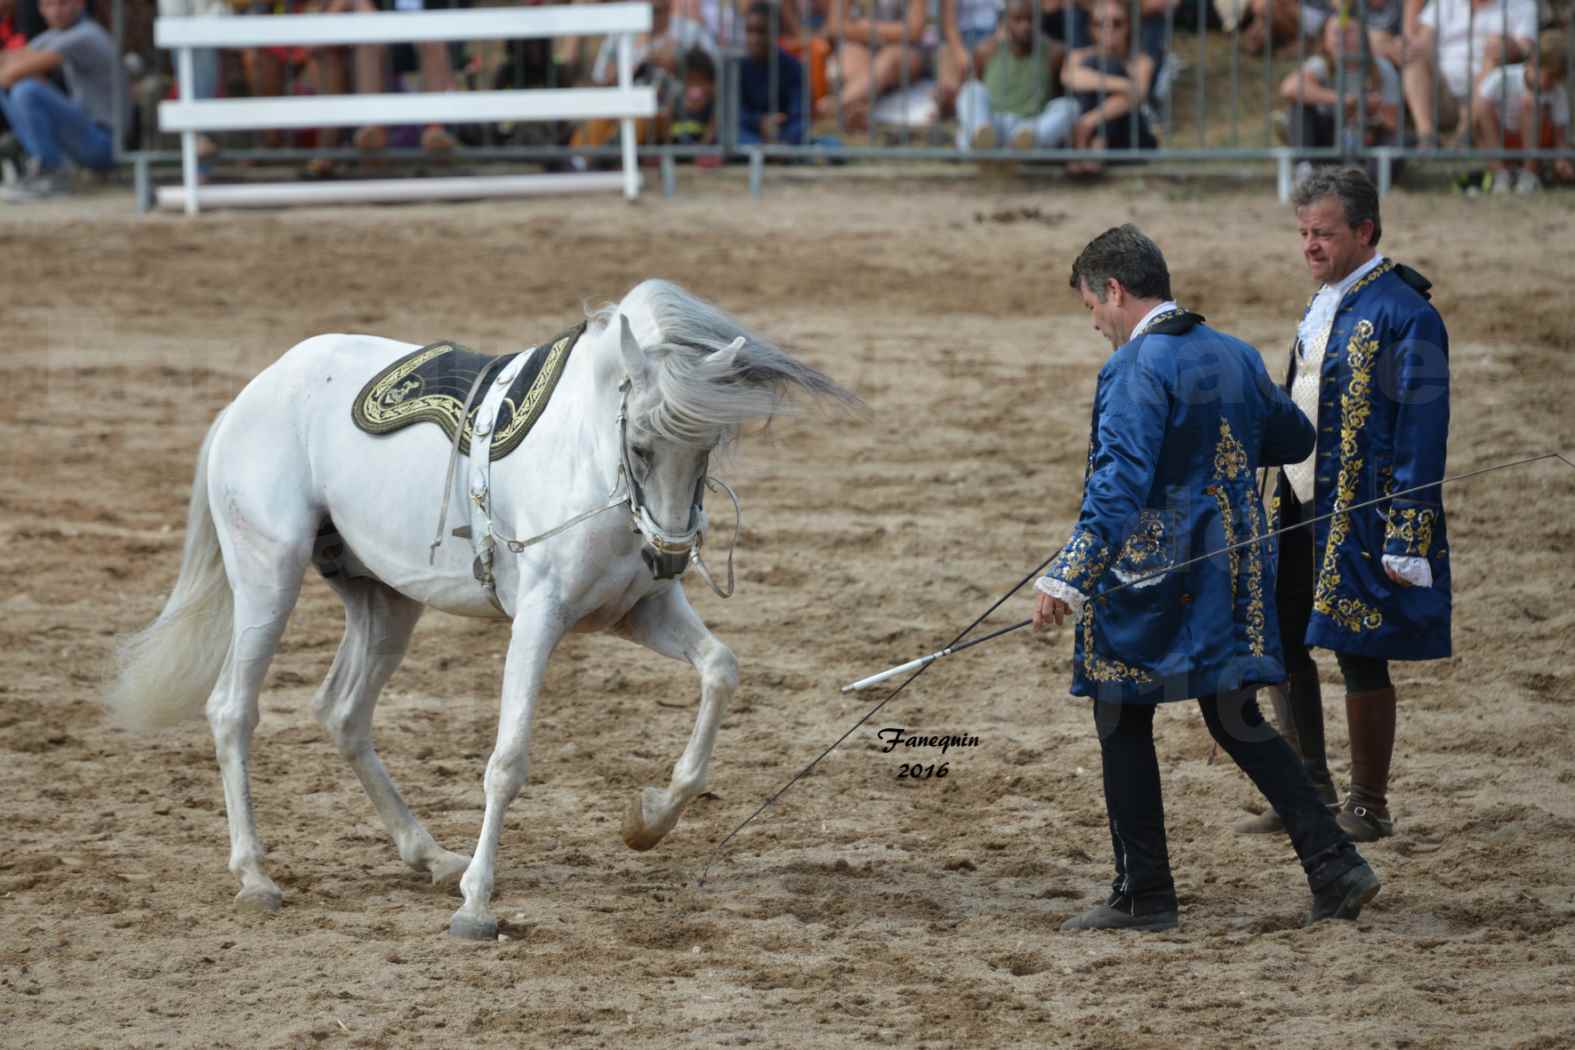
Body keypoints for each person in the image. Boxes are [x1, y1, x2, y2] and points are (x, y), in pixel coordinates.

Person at [1037, 224, 1381, 932]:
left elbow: (1118, 485)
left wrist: (1067, 576)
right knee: (1234, 716)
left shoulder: (1134, 368)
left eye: (1091, 309)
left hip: (1156, 575)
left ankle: (1145, 893)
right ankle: (1334, 863)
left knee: (1120, 710)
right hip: (1235, 566)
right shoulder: (1229, 352)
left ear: (1114, 290)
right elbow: (1291, 439)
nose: (1096, 325)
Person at [1237, 167, 1451, 844]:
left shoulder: (1406, 313)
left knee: (1359, 648)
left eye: (1322, 233)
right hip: (1301, 501)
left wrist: (1406, 532)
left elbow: (1422, 427)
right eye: (1302, 233)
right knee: (1284, 632)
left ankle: (1368, 803)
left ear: (1363, 230)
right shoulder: (1325, 302)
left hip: (1365, 512)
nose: (1308, 245)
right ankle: (1306, 786)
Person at [0, 0, 126, 201]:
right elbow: (11, 59)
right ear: (40, 9)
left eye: (63, 3)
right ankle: (40, 164)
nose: (56, 11)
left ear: (80, 3)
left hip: (106, 143)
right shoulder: (57, 34)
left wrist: (13, 70)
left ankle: (51, 173)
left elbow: (11, 73)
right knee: (14, 89)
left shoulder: (86, 35)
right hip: (87, 135)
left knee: (26, 90)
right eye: (49, 5)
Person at [1278, 12, 1402, 178]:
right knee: (1299, 109)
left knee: (1397, 141)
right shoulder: (1321, 65)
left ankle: (1368, 179)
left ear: (1363, 38)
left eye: (1349, 33)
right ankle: (1305, 170)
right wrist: (1342, 100)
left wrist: (1371, 113)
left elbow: (1392, 123)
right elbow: (1289, 88)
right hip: (1329, 139)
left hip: (1366, 138)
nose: (1341, 39)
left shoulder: (1381, 69)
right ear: (1326, 41)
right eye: (1336, 33)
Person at [1401, 0, 1536, 148]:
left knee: (1495, 49)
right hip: (1443, 92)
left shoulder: (1522, 4)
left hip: (1491, 94)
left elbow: (1526, 48)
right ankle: (1427, 137)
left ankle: (1464, 134)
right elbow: (1423, 41)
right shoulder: (1445, 3)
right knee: (1414, 58)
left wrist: (1506, 46)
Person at [955, 0, 1077, 152]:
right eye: (1018, 20)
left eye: (1031, 20)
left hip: (1030, 127)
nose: (1025, 26)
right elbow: (975, 95)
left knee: (1069, 107)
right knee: (971, 89)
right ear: (1006, 21)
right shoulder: (986, 50)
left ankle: (1021, 146)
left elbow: (1057, 95)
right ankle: (982, 139)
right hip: (993, 125)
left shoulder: (1054, 52)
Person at [1470, 29, 1574, 193]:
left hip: (1538, 142)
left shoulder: (1557, 92)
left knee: (1529, 104)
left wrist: (1561, 160)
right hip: (1502, 139)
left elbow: (1560, 135)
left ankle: (1529, 175)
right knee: (1482, 108)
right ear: (1533, 63)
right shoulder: (1503, 77)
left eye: (1556, 79)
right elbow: (1478, 110)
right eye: (1549, 76)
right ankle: (1500, 174)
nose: (1551, 84)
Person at [1062, 0, 1156, 173]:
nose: (1108, 30)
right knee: (1098, 64)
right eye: (1100, 24)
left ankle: (1094, 145)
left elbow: (1138, 96)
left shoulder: (1142, 61)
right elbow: (1069, 78)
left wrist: (1088, 122)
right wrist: (1124, 84)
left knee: (1109, 65)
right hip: (1088, 132)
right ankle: (1091, 148)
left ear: (1128, 25)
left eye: (1116, 23)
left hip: (1127, 135)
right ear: (1091, 28)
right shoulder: (1080, 55)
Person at [816, 0, 928, 130]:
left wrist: (866, 28)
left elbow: (914, 31)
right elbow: (835, 26)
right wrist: (873, 31)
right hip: (860, 43)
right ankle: (858, 108)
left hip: (903, 49)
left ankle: (836, 105)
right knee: (848, 61)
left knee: (888, 61)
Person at [739, 3, 808, 146]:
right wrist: (760, 121)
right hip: (750, 132)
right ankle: (769, 152)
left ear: (776, 33)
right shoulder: (738, 66)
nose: (755, 39)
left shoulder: (792, 67)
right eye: (749, 31)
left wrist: (779, 125)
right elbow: (734, 112)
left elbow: (799, 112)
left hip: (783, 130)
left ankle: (776, 151)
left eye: (762, 31)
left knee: (801, 131)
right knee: (736, 135)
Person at [934, 0, 1001, 118]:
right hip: (958, 40)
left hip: (991, 39)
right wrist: (960, 53)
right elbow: (949, 24)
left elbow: (1005, 22)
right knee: (948, 88)